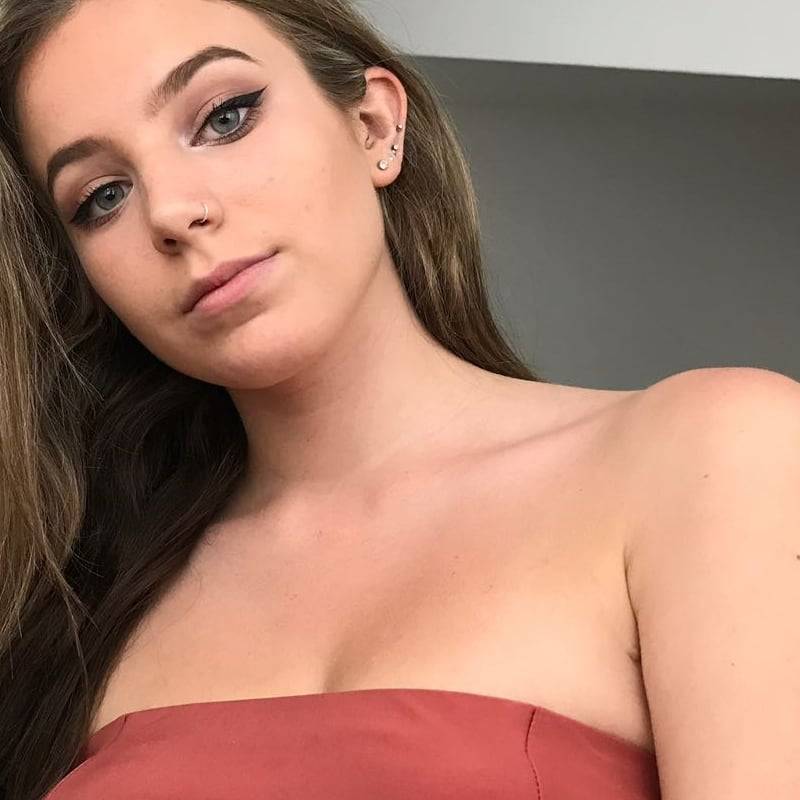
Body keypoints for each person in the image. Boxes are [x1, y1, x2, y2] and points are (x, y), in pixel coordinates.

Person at [1, 2, 798, 799]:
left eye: (225, 117)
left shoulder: (713, 454)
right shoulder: (72, 611)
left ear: (374, 124)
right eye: (102, 196)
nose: (173, 211)